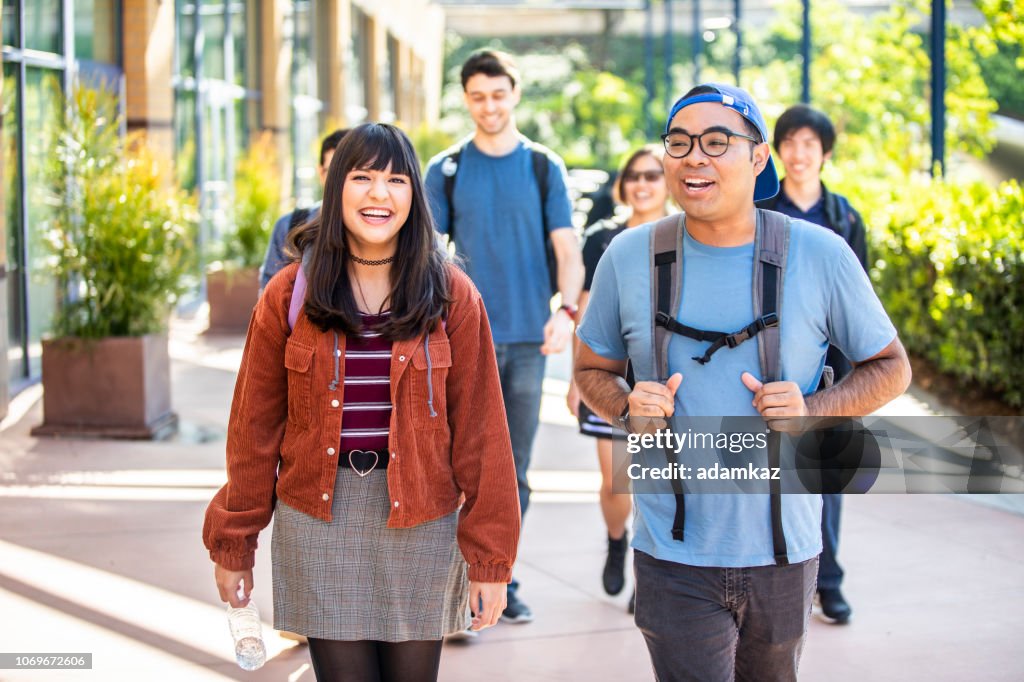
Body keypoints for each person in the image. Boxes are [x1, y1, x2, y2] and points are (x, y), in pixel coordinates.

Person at [574, 83, 911, 681]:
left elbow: (891, 367)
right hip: (669, 553)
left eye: (716, 141)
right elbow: (590, 371)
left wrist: (812, 407)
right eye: (678, 142)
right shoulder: (627, 257)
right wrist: (629, 407)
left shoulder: (822, 253)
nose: (693, 157)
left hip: (785, 548)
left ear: (759, 160)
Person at [204, 123, 521, 682]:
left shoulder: (450, 293)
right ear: (336, 189)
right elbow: (253, 429)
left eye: (397, 179)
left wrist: (490, 559)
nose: (380, 194)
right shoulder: (289, 294)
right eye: (363, 177)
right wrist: (235, 544)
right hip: (319, 517)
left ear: (413, 196)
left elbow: (483, 431)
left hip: (422, 517)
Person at [425, 49, 584, 625]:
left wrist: (566, 311)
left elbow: (567, 248)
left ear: (514, 94)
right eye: (477, 96)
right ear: (465, 99)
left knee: (511, 470)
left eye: (498, 94)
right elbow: (422, 253)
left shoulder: (543, 167)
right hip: (457, 341)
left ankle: (499, 575)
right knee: (446, 463)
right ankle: (452, 577)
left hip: (523, 342)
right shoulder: (445, 169)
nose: (488, 106)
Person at [756, 104, 868, 625]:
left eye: (809, 144)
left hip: (831, 375)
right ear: (775, 151)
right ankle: (774, 576)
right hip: (767, 366)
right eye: (790, 143)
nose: (799, 154)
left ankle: (829, 580)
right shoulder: (760, 209)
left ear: (825, 152)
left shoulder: (844, 217)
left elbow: (859, 300)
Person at [566, 145, 672, 614]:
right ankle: (616, 539)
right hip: (611, 375)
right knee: (617, 481)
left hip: (667, 377)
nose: (643, 184)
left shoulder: (688, 235)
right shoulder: (602, 239)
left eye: (653, 175)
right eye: (634, 176)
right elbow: (586, 311)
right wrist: (578, 376)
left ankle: (645, 572)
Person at [259, 128, 349, 289]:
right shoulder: (290, 225)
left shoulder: (377, 228)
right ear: (321, 173)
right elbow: (268, 296)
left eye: (353, 174)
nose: (341, 181)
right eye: (334, 171)